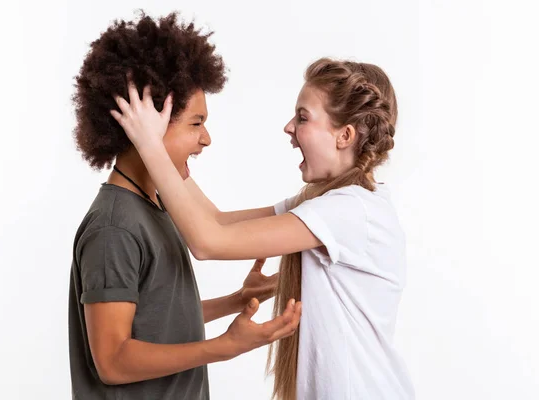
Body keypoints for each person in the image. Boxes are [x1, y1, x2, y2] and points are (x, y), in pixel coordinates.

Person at [111, 57, 415, 399]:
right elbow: (216, 221)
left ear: (344, 135)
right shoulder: (325, 205)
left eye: (303, 117)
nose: (289, 127)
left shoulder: (349, 211)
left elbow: (208, 242)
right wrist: (168, 152)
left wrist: (150, 145)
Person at [68, 12, 301, 400]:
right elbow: (112, 361)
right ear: (148, 125)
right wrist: (223, 348)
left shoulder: (152, 207)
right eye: (196, 123)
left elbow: (157, 323)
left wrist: (236, 301)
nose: (206, 138)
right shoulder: (115, 228)